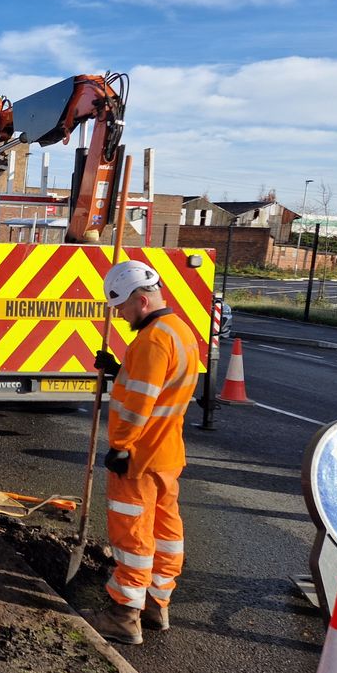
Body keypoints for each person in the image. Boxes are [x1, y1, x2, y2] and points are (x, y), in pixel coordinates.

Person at [88, 259, 200, 645]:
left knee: (132, 534)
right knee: (165, 532)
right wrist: (119, 369)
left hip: (138, 458)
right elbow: (159, 389)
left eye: (121, 308)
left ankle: (123, 615)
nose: (119, 317)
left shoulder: (152, 340)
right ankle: (156, 604)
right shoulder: (180, 331)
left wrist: (120, 447)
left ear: (141, 300)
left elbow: (139, 404)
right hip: (166, 454)